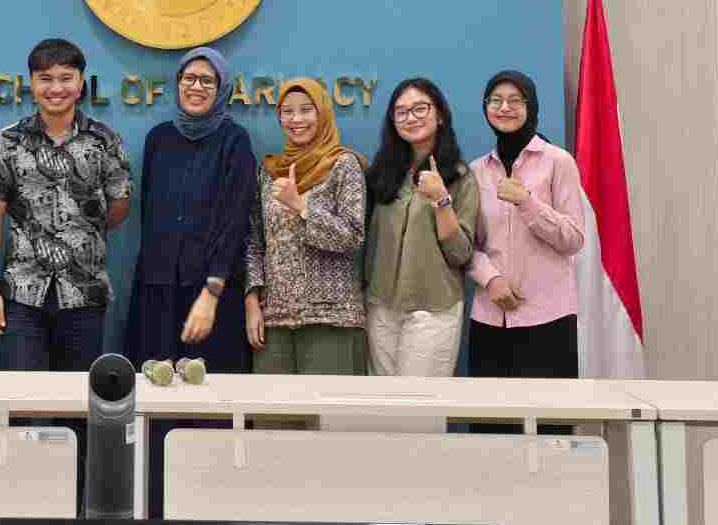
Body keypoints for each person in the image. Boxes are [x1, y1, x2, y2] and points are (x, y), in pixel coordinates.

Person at [125, 46, 256, 517]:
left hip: (211, 297)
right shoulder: (158, 139)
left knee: (208, 404)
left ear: (221, 89)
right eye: (188, 78)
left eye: (207, 80)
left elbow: (236, 221)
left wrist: (211, 291)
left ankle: (210, 509)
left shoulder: (234, 141)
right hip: (157, 291)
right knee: (154, 401)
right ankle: (154, 509)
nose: (196, 87)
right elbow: (148, 215)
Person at [0, 37, 132, 371]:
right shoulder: (8, 141)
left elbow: (119, 206)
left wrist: (82, 228)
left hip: (84, 294)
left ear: (80, 83)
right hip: (21, 295)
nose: (56, 88)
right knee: (18, 396)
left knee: (77, 397)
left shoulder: (105, 141)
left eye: (66, 78)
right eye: (45, 78)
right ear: (32, 84)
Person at [468, 70, 586, 431]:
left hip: (547, 318)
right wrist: (490, 279)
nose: (504, 108)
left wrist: (527, 202)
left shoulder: (558, 162)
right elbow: (467, 244)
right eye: (495, 100)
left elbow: (573, 238)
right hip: (490, 318)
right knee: (491, 428)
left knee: (550, 427)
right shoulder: (477, 170)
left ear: (530, 106)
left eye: (514, 100)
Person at [245, 78, 367, 376]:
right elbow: (254, 241)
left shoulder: (343, 164)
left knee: (328, 406)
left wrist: (301, 207)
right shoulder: (269, 172)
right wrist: (252, 302)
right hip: (274, 319)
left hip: (331, 317)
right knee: (272, 406)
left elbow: (352, 236)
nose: (296, 119)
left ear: (322, 112)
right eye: (287, 111)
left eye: (306, 110)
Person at [361, 78, 478, 377]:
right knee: (381, 401)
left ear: (440, 115)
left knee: (418, 403)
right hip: (381, 304)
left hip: (432, 308)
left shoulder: (460, 176)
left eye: (420, 108)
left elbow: (460, 253)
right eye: (401, 112)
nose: (410, 118)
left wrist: (441, 199)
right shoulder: (382, 173)